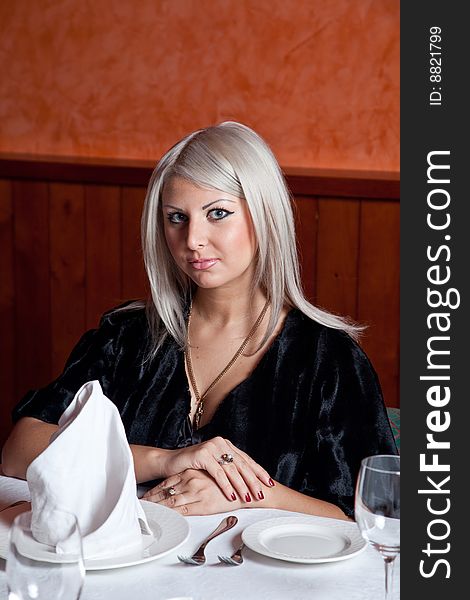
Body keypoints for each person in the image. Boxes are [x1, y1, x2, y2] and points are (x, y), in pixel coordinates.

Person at [1, 121, 397, 520]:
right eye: (177, 217)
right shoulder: (127, 337)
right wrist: (166, 460)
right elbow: (18, 452)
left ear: (263, 215)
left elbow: (379, 514)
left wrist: (251, 494)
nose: (192, 239)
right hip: (130, 571)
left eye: (217, 213)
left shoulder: (327, 359)